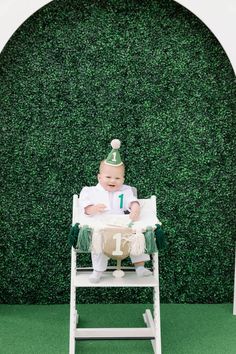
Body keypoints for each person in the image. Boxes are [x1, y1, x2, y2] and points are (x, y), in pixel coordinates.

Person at [79, 139, 152, 283]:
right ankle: (97, 271)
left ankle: (140, 267)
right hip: (101, 226)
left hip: (121, 225)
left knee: (136, 237)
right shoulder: (91, 191)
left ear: (123, 179)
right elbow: (85, 207)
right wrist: (92, 208)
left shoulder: (125, 190)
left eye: (117, 178)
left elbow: (132, 201)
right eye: (108, 177)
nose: (113, 180)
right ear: (99, 177)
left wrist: (135, 208)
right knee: (97, 244)